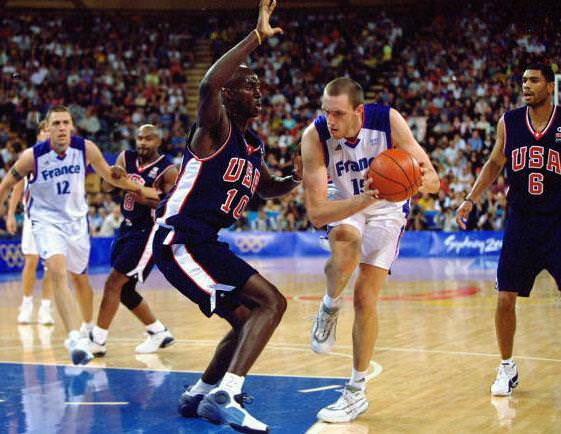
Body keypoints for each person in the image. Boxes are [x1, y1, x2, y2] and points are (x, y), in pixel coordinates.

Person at [152, 1, 301, 432]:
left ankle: (200, 393)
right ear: (229, 94)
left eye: (258, 86)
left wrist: (297, 175)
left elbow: (267, 187)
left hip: (204, 243)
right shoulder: (214, 128)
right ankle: (226, 392)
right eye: (248, 85)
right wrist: (255, 38)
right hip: (179, 241)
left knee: (245, 321)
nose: (258, 92)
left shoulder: (252, 147)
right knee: (271, 303)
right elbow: (206, 85)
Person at [301, 77, 439, 423]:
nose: (330, 120)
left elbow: (433, 181)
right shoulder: (314, 137)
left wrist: (407, 179)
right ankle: (330, 305)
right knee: (346, 245)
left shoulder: (388, 121)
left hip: (389, 209)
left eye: (338, 113)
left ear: (358, 111)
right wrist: (362, 198)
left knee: (365, 298)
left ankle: (356, 392)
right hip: (345, 201)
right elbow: (317, 213)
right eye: (325, 112)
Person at [0, 105, 158, 365]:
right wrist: (6, 212)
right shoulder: (32, 156)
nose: (62, 128)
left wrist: (141, 191)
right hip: (45, 221)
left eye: (66, 123)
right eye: (56, 123)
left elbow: (110, 177)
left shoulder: (86, 148)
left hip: (76, 223)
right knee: (57, 270)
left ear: (72, 126)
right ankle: (74, 337)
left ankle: (86, 329)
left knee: (80, 278)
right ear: (47, 128)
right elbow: (6, 185)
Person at [455, 63, 559, 397]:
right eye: (524, 81)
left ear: (550, 86)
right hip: (522, 222)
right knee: (504, 298)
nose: (526, 86)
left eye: (534, 81)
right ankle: (507, 367)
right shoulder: (510, 122)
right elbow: (495, 162)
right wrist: (471, 199)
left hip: (558, 222)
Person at [89, 124, 178, 357]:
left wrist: (138, 192)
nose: (142, 143)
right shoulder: (125, 157)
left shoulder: (168, 170)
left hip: (147, 232)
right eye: (139, 138)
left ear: (158, 142)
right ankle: (158, 331)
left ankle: (97, 340)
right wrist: (114, 178)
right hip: (125, 229)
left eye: (148, 139)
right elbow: (109, 187)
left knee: (113, 283)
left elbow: (167, 205)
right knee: (125, 291)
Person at [7, 121, 54, 325]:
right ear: (39, 135)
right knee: (31, 261)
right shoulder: (28, 156)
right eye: (45, 131)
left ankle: (46, 308)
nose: (48, 134)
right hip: (32, 216)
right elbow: (17, 188)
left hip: (54, 218)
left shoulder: (61, 156)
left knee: (51, 265)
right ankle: (26, 305)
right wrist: (10, 214)